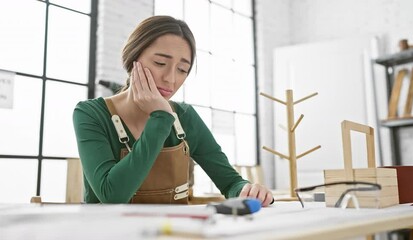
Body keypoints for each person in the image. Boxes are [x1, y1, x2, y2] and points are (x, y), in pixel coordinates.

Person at [73, 15, 274, 206]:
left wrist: (247, 190)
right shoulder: (90, 114)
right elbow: (112, 195)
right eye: (160, 63)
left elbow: (230, 183)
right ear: (133, 58)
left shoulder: (185, 117)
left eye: (182, 70)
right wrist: (160, 118)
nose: (170, 78)